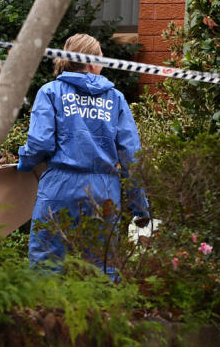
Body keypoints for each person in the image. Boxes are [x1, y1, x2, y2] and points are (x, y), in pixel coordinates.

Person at [16, 33, 150, 275]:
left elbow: (39, 144)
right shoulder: (116, 99)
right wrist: (140, 206)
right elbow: (131, 156)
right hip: (104, 192)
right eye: (101, 56)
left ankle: (43, 311)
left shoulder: (50, 92)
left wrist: (24, 163)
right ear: (91, 62)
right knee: (103, 265)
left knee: (46, 261)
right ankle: (103, 312)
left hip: (59, 187)